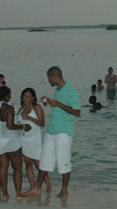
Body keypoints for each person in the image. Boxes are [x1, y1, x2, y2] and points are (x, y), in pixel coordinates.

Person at [24, 67, 80, 198]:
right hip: (52, 130)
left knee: (63, 161)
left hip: (64, 131)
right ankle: (37, 188)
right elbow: (58, 106)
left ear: (54, 77)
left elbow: (77, 112)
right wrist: (49, 102)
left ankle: (64, 189)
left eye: (49, 78)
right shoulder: (57, 90)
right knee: (45, 160)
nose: (48, 80)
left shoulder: (71, 91)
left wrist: (58, 104)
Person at [0, 86, 28, 200]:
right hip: (11, 140)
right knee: (17, 168)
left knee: (2, 167)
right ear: (7, 96)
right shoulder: (9, 108)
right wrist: (23, 126)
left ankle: (5, 194)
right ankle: (18, 194)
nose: (10, 96)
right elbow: (10, 126)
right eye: (9, 95)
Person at [17, 88, 51, 193]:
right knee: (27, 163)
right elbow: (18, 124)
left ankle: (48, 187)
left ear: (33, 98)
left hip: (35, 140)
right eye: (24, 96)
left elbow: (42, 123)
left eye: (28, 96)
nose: (26, 98)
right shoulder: (21, 109)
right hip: (24, 139)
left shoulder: (37, 107)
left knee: (39, 164)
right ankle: (33, 187)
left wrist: (29, 118)